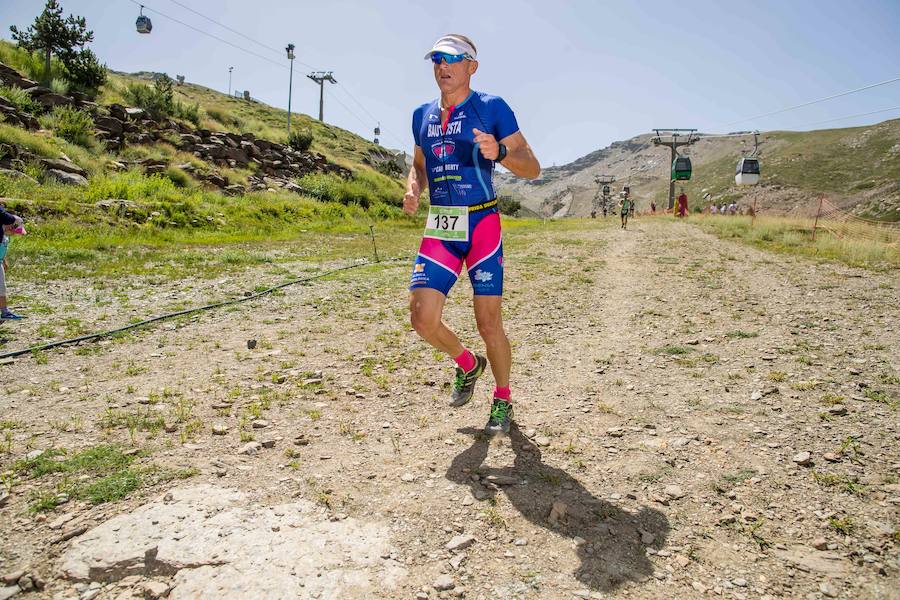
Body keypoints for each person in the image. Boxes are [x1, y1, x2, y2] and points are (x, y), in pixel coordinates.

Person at [403, 34, 540, 435]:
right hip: (442, 225)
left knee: (488, 322)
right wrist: (414, 186)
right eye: (436, 60)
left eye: (451, 59)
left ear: (471, 67)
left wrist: (499, 152)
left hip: (482, 223)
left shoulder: (491, 108)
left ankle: (502, 398)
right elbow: (419, 164)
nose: (442, 66)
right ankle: (467, 364)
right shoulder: (421, 115)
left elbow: (532, 167)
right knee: (422, 319)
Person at [0, 206, 25, 320]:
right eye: (14, 230)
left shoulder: (5, 237)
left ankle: (4, 311)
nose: (14, 233)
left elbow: (3, 251)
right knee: (1, 288)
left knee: (2, 287)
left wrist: (4, 261)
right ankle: (4, 312)